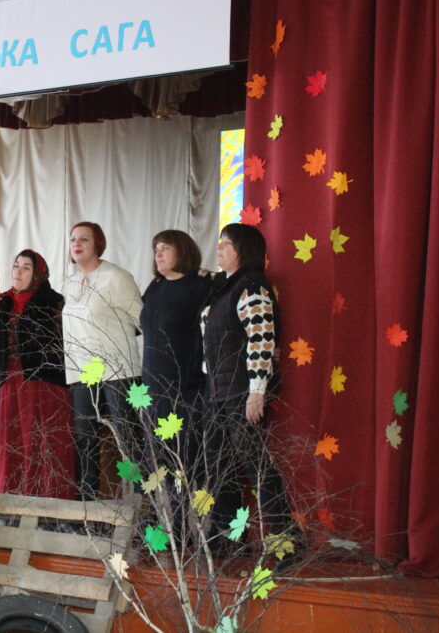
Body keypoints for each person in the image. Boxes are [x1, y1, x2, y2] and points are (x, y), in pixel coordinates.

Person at [200, 223, 293, 549]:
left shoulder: (252, 286)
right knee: (219, 465)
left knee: (255, 464)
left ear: (244, 250)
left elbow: (261, 341)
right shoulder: (223, 288)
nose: (219, 248)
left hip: (241, 389)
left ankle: (286, 538)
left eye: (226, 243)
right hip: (216, 390)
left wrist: (257, 392)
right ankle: (227, 539)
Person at [61, 221, 144, 500]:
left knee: (128, 439)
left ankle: (144, 505)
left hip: (118, 369)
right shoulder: (69, 283)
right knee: (85, 439)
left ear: (98, 244)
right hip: (83, 371)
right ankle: (88, 507)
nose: (77, 244)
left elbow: (143, 320)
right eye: (73, 239)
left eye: (84, 239)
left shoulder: (116, 277)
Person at [0, 250, 75, 499]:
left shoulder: (53, 302)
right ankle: (12, 501)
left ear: (38, 273)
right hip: (10, 381)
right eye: (16, 265)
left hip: (43, 382)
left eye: (26, 267)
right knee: (14, 441)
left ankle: (50, 502)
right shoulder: (5, 302)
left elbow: (65, 343)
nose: (18, 271)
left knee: (43, 441)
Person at [139, 230, 212, 471]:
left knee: (184, 458)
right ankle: (162, 498)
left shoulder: (200, 286)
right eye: (155, 250)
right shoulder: (155, 286)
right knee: (156, 459)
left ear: (182, 251)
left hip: (184, 387)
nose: (158, 254)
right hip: (152, 385)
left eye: (165, 248)